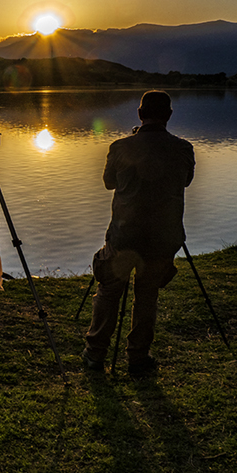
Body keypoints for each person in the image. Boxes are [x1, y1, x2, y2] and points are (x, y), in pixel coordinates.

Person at [82, 90, 195, 376]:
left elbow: (109, 183)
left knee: (109, 291)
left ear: (139, 114)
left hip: (124, 235)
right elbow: (186, 181)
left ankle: (95, 354)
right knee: (147, 296)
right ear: (169, 115)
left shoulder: (121, 147)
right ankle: (138, 357)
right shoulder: (183, 149)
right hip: (163, 236)